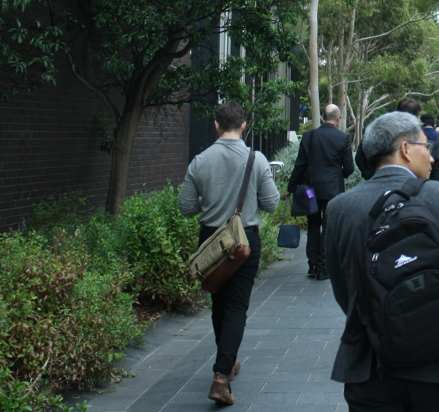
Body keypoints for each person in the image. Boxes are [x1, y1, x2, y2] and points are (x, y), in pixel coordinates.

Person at [324, 111, 439, 412]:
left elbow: (344, 285)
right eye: (425, 148)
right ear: (405, 149)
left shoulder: (341, 207)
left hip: (368, 362)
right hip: (436, 363)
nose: (431, 158)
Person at [178, 101, 280, 405]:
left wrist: (205, 202)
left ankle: (227, 361)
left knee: (219, 303)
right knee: (236, 307)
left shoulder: (200, 160)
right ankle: (222, 376)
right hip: (244, 240)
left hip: (210, 239)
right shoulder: (256, 159)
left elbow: (185, 207)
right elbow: (271, 204)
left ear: (216, 125)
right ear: (244, 126)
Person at [287, 103, 356, 280]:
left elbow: (300, 165)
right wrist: (337, 176)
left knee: (313, 225)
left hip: (311, 190)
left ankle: (312, 265)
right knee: (328, 227)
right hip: (333, 190)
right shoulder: (342, 138)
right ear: (338, 118)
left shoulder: (309, 136)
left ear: (323, 117)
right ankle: (324, 267)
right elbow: (349, 167)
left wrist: (291, 187)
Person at [355, 97, 421, 180]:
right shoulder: (419, 137)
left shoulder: (381, 128)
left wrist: (368, 173)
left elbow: (359, 156)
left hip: (376, 179)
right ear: (417, 116)